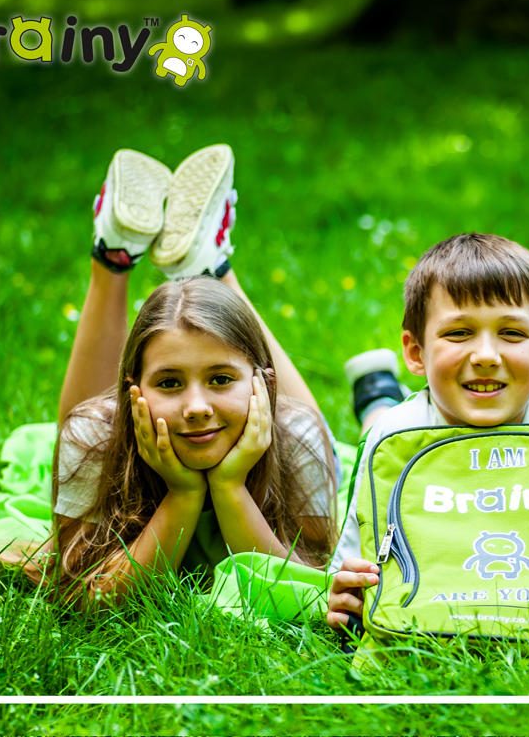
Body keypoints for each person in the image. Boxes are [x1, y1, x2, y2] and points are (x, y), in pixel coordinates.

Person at [49, 144, 338, 605]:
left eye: (220, 379)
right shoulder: (93, 434)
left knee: (303, 425)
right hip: (110, 433)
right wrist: (183, 494)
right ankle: (139, 258)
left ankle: (136, 255)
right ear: (132, 391)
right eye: (168, 383)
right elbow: (86, 600)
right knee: (90, 427)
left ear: (263, 386)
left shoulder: (296, 435)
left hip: (284, 426)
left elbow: (306, 590)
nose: (197, 408)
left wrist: (228, 485)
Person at [325, 233, 529, 630]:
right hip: (397, 419)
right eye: (458, 333)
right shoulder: (393, 437)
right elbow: (349, 567)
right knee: (378, 421)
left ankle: (379, 391)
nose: (485, 356)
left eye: (511, 333)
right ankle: (376, 396)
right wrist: (347, 593)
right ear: (415, 353)